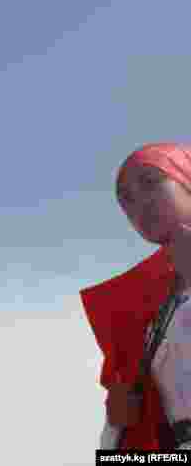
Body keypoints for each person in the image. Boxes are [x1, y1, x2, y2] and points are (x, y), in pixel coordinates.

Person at [81, 143, 191, 450]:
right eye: (126, 199)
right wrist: (117, 424)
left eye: (150, 182)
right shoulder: (146, 306)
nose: (140, 203)